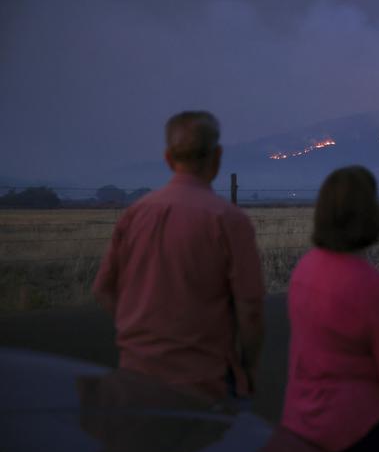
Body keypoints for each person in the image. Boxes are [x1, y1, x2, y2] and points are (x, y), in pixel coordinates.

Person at [92, 111, 265, 401]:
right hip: (205, 384)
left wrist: (142, 335)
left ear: (168, 158)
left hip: (136, 377)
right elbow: (251, 310)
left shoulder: (135, 215)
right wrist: (247, 366)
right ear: (217, 156)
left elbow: (103, 290)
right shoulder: (229, 221)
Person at [281, 166, 379, 452]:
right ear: (371, 214)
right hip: (356, 432)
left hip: (299, 423)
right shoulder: (375, 289)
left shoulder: (304, 269)